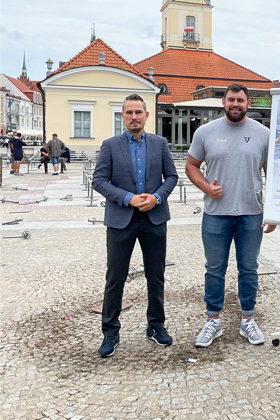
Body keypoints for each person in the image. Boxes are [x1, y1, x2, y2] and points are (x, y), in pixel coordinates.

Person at [185, 84, 276, 348]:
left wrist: (272, 210)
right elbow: (191, 165)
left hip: (251, 213)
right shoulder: (206, 132)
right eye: (231, 99)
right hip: (216, 214)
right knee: (214, 269)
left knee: (249, 269)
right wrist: (206, 188)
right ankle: (213, 320)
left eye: (241, 100)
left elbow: (272, 173)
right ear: (223, 101)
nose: (236, 104)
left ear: (248, 103)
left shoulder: (263, 134)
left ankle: (248, 318)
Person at [92, 94, 178, 357]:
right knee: (115, 277)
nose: (134, 117)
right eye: (128, 113)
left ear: (146, 115)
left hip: (154, 218)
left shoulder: (160, 143)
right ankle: (110, 331)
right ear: (122, 116)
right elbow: (99, 180)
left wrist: (157, 197)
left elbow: (172, 176)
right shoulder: (110, 145)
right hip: (121, 219)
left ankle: (156, 326)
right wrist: (128, 198)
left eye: (138, 112)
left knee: (156, 276)